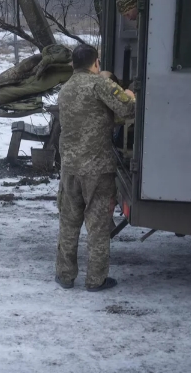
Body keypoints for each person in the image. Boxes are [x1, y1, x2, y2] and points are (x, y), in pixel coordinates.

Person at [55, 44, 136, 292]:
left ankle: (65, 276)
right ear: (96, 63)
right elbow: (128, 108)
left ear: (73, 64)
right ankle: (95, 280)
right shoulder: (99, 84)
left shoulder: (65, 89)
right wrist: (131, 92)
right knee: (98, 226)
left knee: (69, 223)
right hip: (97, 169)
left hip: (70, 167)